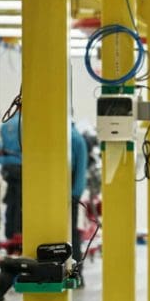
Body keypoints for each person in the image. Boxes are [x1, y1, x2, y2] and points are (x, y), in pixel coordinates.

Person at [0, 110, 22, 241]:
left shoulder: (5, 125)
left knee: (10, 202)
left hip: (7, 167)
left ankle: (9, 233)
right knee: (20, 203)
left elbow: (1, 148)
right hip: (21, 166)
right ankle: (18, 232)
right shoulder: (26, 123)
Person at [70, 122, 88, 285]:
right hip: (63, 194)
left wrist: (74, 195)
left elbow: (81, 170)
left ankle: (76, 274)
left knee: (72, 236)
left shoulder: (74, 138)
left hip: (69, 196)